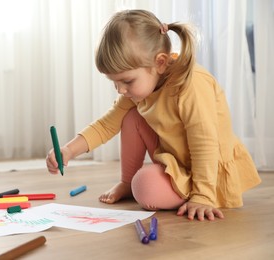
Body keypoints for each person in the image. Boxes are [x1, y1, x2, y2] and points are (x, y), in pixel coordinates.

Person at [46, 9, 261, 221]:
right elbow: (106, 125)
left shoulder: (191, 84)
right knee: (130, 117)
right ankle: (127, 182)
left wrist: (203, 195)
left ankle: (183, 189)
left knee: (146, 186)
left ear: (159, 62)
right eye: (114, 82)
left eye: (127, 81)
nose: (120, 90)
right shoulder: (140, 89)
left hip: (207, 170)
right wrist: (68, 151)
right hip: (178, 162)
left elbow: (204, 142)